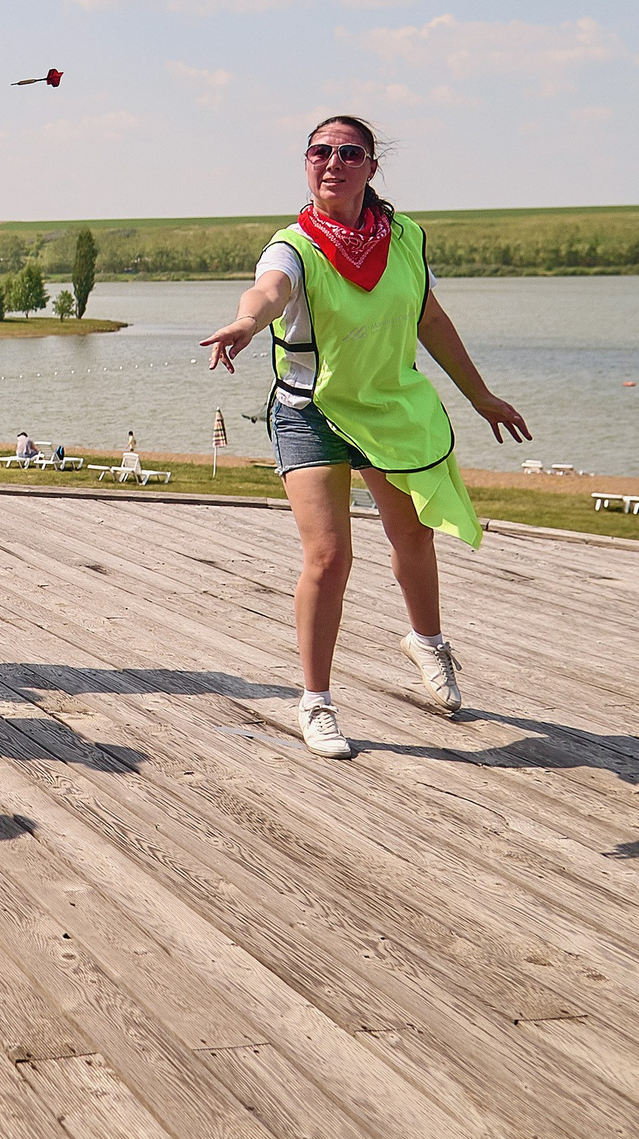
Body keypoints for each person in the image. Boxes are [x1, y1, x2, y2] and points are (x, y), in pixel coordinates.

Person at [199, 115, 531, 758]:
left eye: (349, 153)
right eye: (319, 151)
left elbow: (430, 317)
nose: (333, 163)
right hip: (311, 410)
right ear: (306, 162)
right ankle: (316, 702)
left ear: (372, 168)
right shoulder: (292, 246)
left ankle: (428, 643)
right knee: (329, 556)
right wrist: (245, 322)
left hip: (388, 407)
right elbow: (268, 291)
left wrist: (482, 396)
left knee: (412, 537)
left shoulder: (404, 238)